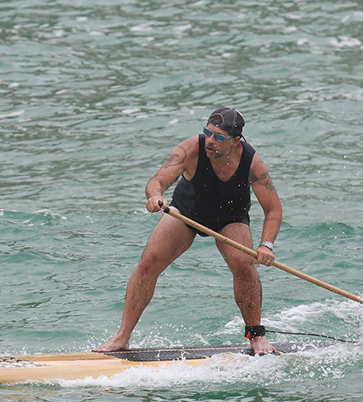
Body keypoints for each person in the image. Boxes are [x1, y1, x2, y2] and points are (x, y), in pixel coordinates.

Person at [95, 108, 282, 354]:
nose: (210, 141)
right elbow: (157, 181)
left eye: (219, 137)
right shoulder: (192, 148)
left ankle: (256, 337)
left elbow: (273, 209)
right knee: (149, 262)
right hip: (185, 214)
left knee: (244, 266)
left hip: (230, 220)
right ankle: (122, 337)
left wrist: (265, 246)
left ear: (236, 141)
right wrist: (154, 197)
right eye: (208, 133)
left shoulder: (252, 163)